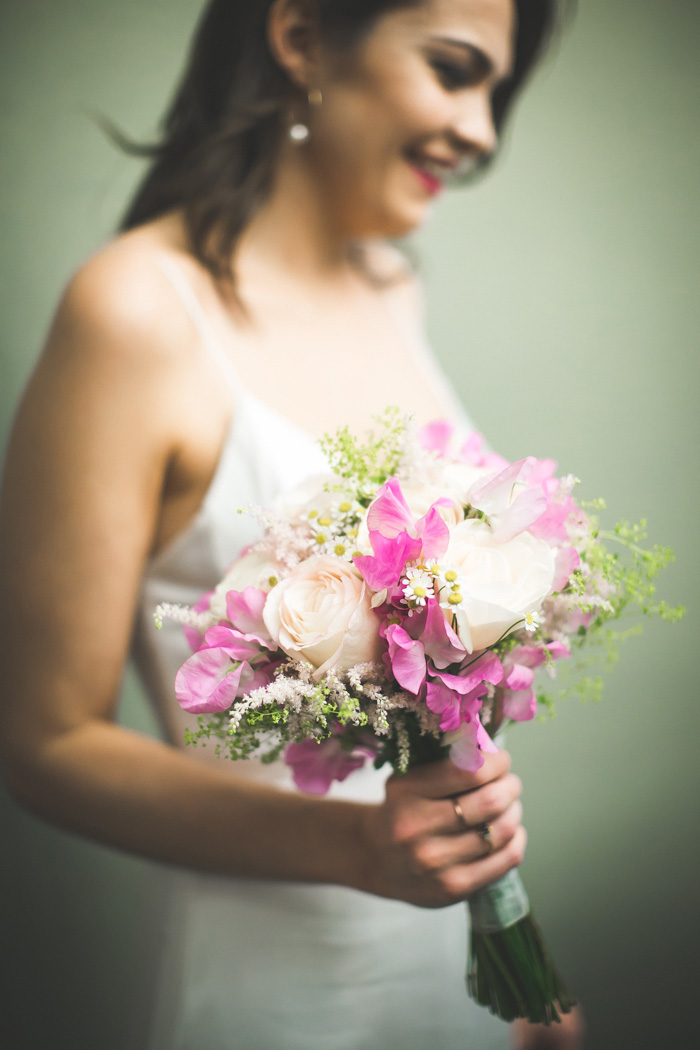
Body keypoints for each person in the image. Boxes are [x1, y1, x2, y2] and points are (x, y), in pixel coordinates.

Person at [0, 1, 583, 1047]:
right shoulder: (135, 310)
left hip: (449, 978)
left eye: (494, 91)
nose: (483, 129)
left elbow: (436, 712)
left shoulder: (392, 289)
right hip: (276, 987)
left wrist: (530, 984)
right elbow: (46, 742)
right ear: (304, 35)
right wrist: (360, 851)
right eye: (455, 71)